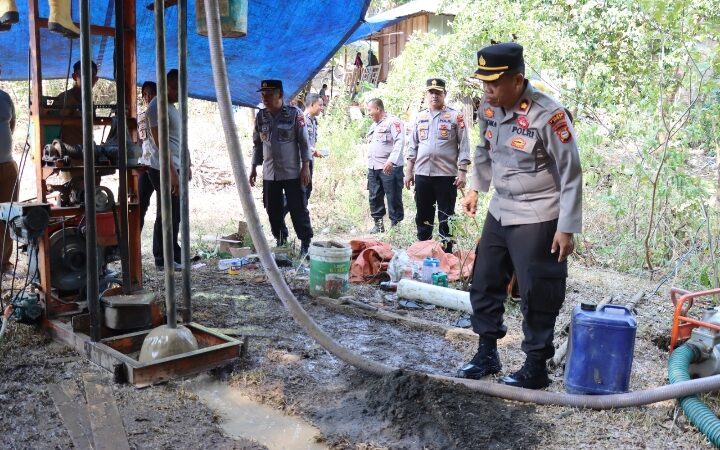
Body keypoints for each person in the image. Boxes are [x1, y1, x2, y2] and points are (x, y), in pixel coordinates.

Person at [457, 42, 582, 389]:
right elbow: (483, 149)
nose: (487, 91)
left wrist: (566, 228)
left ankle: (535, 366)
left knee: (537, 291)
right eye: (483, 83)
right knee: (484, 282)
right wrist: (475, 189)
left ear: (517, 80)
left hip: (539, 213)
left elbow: (571, 173)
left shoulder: (549, 115)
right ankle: (486, 352)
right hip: (501, 208)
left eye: (494, 83)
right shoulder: (489, 107)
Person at [405, 78, 470, 253]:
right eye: (431, 92)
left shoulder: (456, 116)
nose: (434, 95)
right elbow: (413, 147)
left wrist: (462, 172)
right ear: (426, 94)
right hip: (423, 174)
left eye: (438, 92)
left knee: (446, 215)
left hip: (446, 175)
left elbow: (464, 146)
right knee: (423, 214)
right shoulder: (420, 117)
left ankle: (446, 251)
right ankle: (423, 249)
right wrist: (408, 172)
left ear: (444, 94)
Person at [249, 80, 313, 255]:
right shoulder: (261, 116)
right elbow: (257, 144)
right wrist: (254, 167)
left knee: (298, 208)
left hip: (292, 172)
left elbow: (304, 142)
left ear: (280, 95)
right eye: (263, 94)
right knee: (273, 210)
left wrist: (305, 166)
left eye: (269, 94)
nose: (265, 98)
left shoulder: (294, 114)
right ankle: (281, 240)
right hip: (270, 173)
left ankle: (305, 243)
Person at [145, 69, 191, 271]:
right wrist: (172, 173)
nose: (177, 92)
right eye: (173, 88)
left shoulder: (173, 107)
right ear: (164, 85)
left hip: (176, 166)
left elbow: (180, 137)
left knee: (173, 213)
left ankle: (169, 254)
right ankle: (163, 258)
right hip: (162, 168)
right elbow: (160, 143)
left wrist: (187, 163)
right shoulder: (155, 107)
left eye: (180, 89)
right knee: (168, 213)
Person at [365, 98, 404, 233]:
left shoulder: (393, 122)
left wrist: (391, 161)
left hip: (389, 167)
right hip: (374, 167)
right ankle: (378, 225)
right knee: (374, 196)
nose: (368, 113)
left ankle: (396, 227)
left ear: (378, 109)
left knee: (393, 197)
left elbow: (399, 142)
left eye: (370, 110)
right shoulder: (373, 125)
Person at [53, 60, 99, 146]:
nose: (88, 79)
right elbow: (54, 124)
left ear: (96, 79)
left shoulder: (89, 100)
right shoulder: (65, 97)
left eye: (92, 75)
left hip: (86, 149)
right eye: (84, 75)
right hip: (67, 151)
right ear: (75, 76)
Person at [0, 87, 17, 275]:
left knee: (8, 214)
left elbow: (12, 124)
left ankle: (5, 262)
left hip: (7, 164)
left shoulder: (4, 97)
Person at [137, 81, 157, 230]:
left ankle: (162, 250)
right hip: (144, 166)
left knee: (164, 208)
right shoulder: (140, 117)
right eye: (145, 94)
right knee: (140, 206)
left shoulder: (164, 113)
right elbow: (138, 141)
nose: (147, 96)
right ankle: (134, 247)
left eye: (151, 93)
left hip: (160, 165)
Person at [303, 93, 324, 201]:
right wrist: (313, 151)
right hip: (302, 162)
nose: (322, 108)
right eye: (320, 105)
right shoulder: (302, 120)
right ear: (311, 105)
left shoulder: (314, 120)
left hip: (310, 160)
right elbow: (301, 143)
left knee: (307, 190)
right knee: (301, 190)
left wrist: (314, 151)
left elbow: (310, 141)